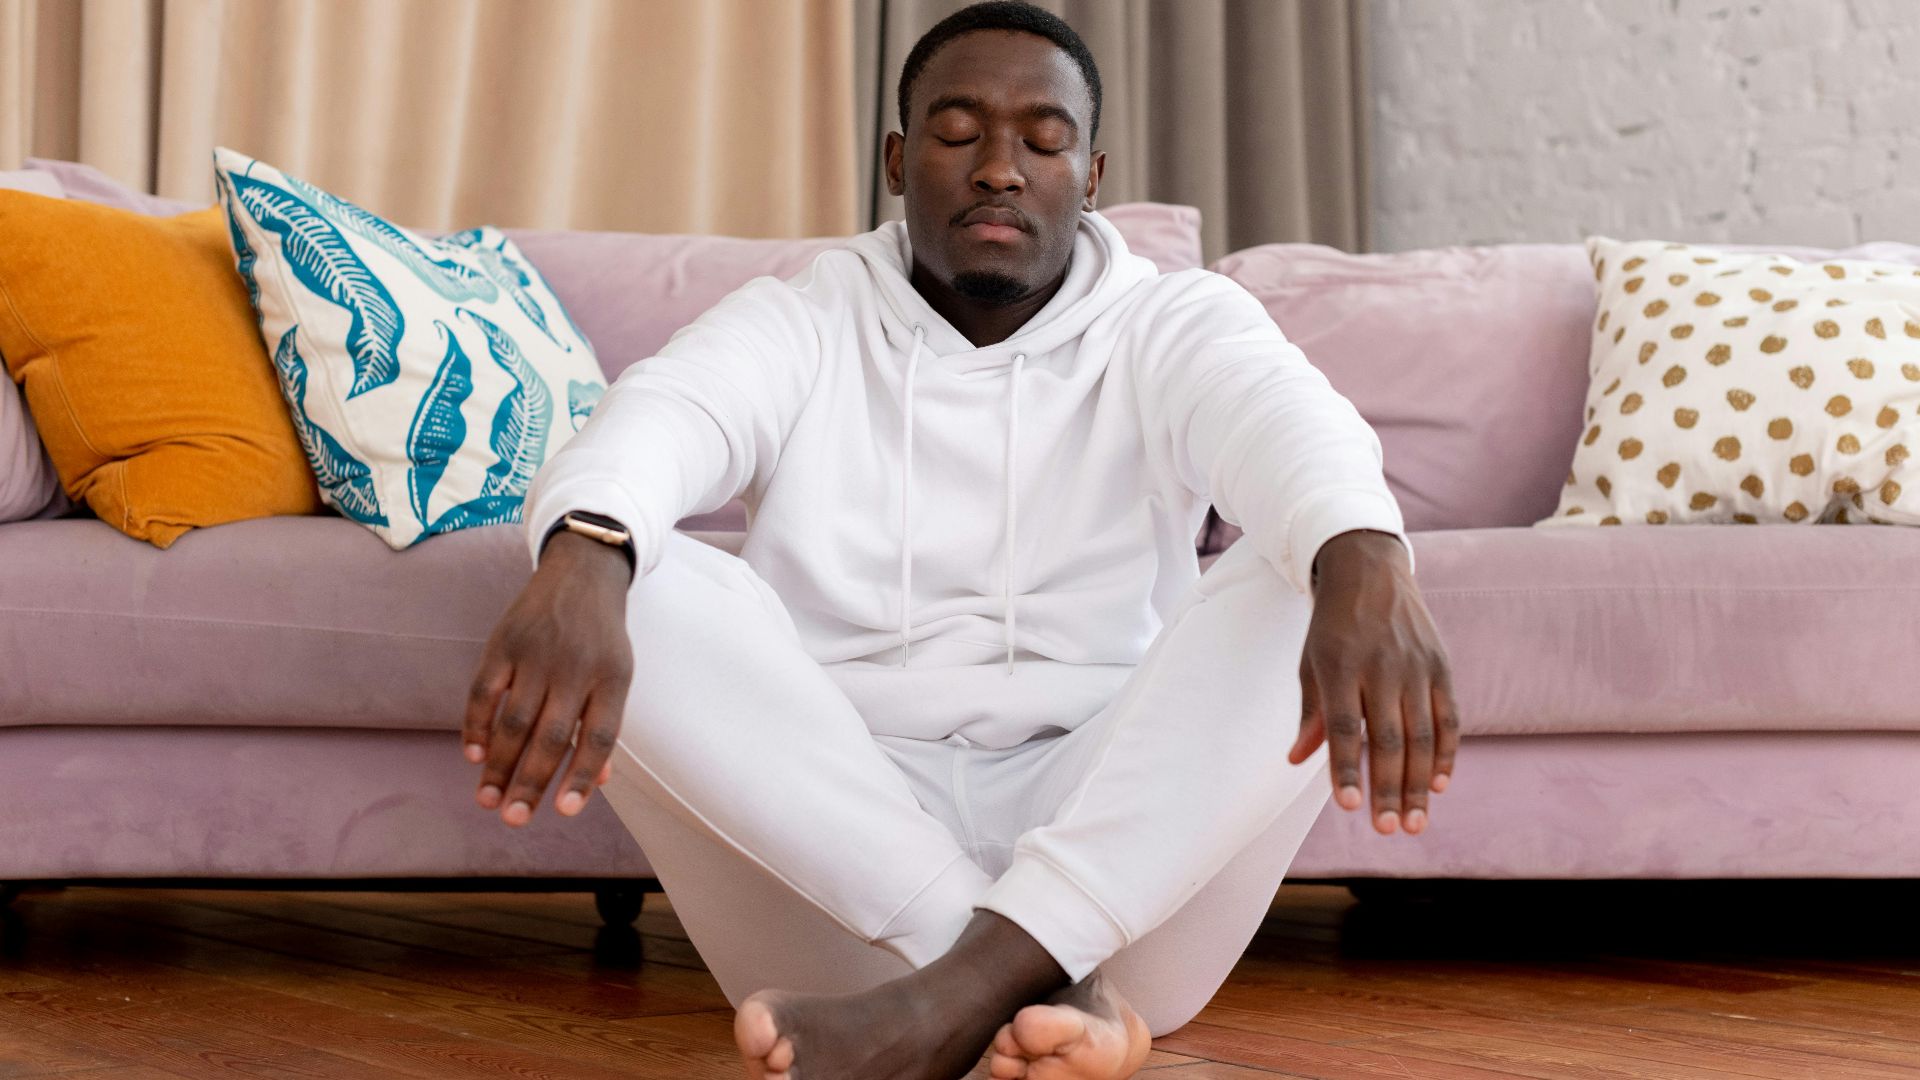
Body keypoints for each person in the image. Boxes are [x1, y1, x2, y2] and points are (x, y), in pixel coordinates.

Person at [462, 3, 1458, 1078]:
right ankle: (1031, 995)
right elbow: (670, 410)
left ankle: (963, 996)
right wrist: (586, 551)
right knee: (629, 565)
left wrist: (1367, 553)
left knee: (1320, 567)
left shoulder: (1171, 321)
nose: (999, 168)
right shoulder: (806, 315)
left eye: (1043, 141)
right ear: (897, 160)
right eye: (957, 133)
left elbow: (1281, 417)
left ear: (1091, 175)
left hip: (1120, 882)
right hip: (839, 894)